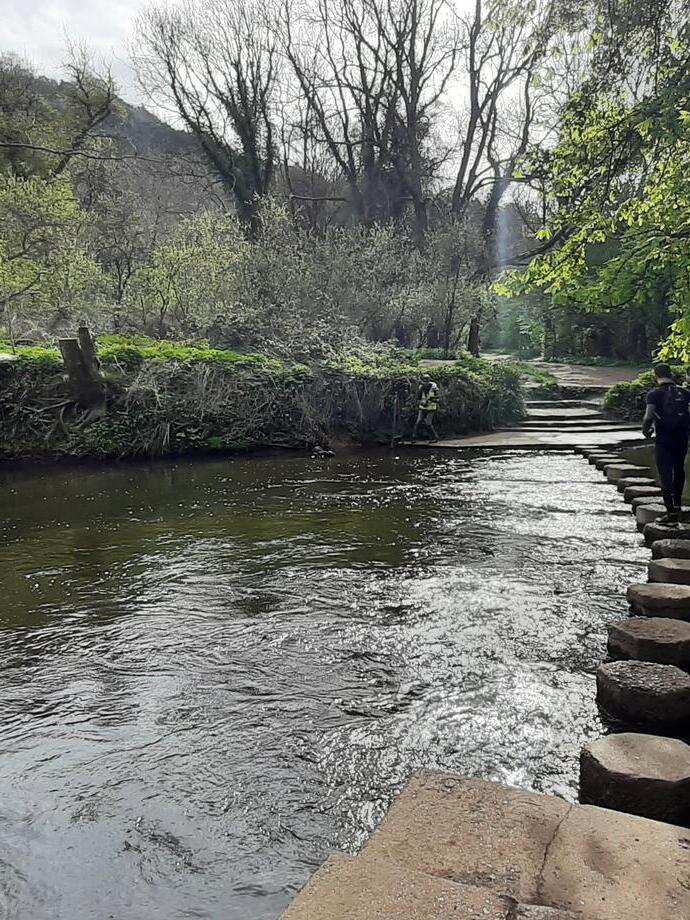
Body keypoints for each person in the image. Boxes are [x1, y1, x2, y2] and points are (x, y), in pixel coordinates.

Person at [642, 363, 690, 525]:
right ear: (671, 374)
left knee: (665, 474)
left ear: (656, 376)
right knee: (679, 470)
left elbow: (648, 416)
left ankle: (671, 513)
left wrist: (646, 431)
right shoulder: (685, 393)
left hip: (664, 439)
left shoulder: (654, 394)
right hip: (682, 438)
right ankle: (678, 506)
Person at [412, 374, 440, 443]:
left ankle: (435, 437)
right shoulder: (421, 387)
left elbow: (438, 398)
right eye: (424, 382)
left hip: (431, 408)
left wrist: (432, 400)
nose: (425, 383)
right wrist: (421, 403)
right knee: (418, 422)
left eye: (427, 382)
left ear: (429, 381)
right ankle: (414, 437)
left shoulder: (434, 388)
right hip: (423, 407)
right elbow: (418, 398)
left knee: (428, 423)